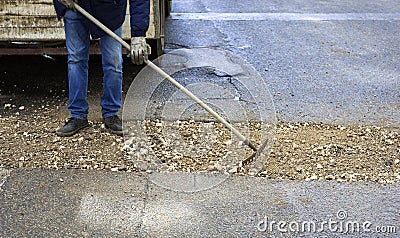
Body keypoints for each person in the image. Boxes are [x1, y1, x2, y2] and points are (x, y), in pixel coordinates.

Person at [53, 0, 150, 136]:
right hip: (75, 8)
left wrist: (139, 35)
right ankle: (77, 115)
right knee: (76, 61)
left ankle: (111, 114)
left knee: (113, 62)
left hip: (110, 11)